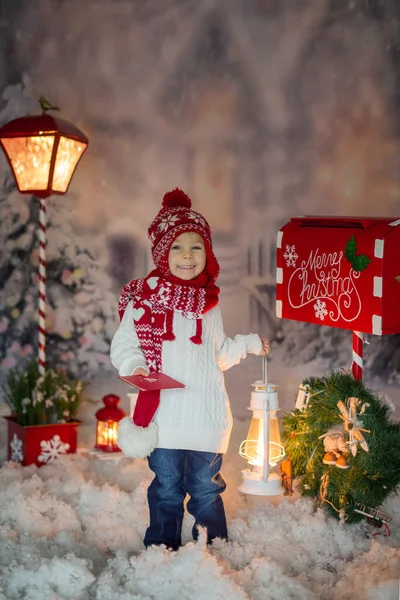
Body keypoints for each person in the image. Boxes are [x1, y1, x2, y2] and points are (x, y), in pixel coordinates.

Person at [110, 188, 270, 550]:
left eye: (196, 247)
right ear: (162, 255)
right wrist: (138, 366)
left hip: (207, 418)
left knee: (206, 489)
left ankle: (213, 550)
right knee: (166, 488)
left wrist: (247, 344)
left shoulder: (210, 307)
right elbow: (124, 346)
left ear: (208, 254)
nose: (186, 256)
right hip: (164, 420)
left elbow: (218, 354)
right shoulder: (145, 302)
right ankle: (162, 549)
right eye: (176, 248)